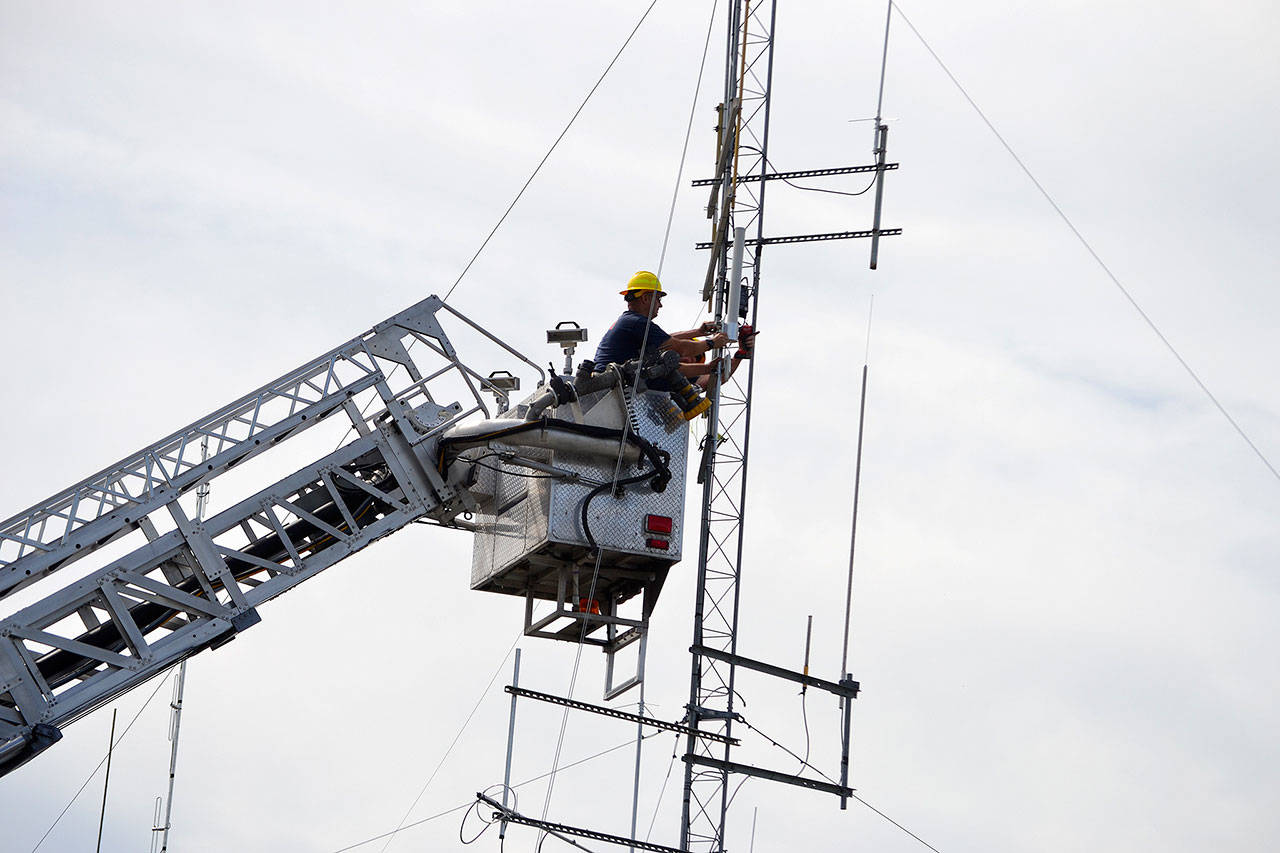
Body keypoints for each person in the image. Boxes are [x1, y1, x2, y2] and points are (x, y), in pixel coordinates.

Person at [593, 271, 755, 390]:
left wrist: (738, 354)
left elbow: (706, 380)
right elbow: (677, 345)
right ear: (645, 298)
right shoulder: (636, 322)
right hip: (609, 388)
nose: (660, 305)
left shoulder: (632, 323)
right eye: (658, 299)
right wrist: (712, 342)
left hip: (610, 386)